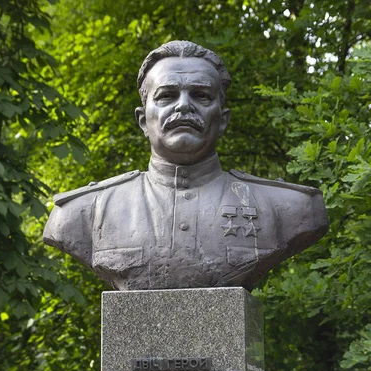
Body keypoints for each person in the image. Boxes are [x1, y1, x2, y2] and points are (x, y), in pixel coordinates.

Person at [43, 40, 328, 290]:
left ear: (223, 119)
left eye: (201, 95)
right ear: (143, 120)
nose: (183, 106)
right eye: (166, 95)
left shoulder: (288, 208)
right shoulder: (83, 213)